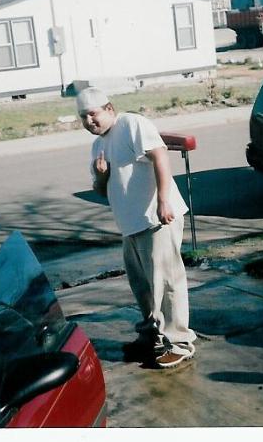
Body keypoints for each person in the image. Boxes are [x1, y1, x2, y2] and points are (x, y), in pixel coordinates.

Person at [77, 87, 197, 369]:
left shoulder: (132, 124)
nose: (89, 121)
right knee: (142, 286)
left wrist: (163, 201)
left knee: (166, 281)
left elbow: (160, 156)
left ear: (109, 108)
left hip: (156, 219)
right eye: (83, 117)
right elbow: (101, 189)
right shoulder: (98, 146)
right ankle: (152, 336)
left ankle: (179, 342)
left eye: (92, 114)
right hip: (130, 226)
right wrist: (102, 176)